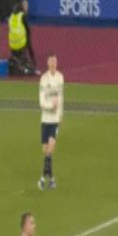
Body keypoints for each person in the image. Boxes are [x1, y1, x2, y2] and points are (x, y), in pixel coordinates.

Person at [38, 54, 64, 191]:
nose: (53, 63)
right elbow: (41, 101)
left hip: (54, 121)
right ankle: (51, 179)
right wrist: (51, 106)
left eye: (55, 61)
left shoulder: (60, 77)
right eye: (51, 61)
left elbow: (61, 97)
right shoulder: (43, 79)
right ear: (48, 63)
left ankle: (43, 179)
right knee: (46, 153)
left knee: (50, 150)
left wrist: (60, 114)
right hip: (45, 120)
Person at [8, 0, 36, 75]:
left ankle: (16, 62)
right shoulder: (22, 16)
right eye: (25, 5)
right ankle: (27, 65)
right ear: (21, 7)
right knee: (27, 38)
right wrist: (33, 56)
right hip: (21, 44)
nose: (27, 7)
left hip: (12, 45)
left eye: (27, 5)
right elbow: (28, 31)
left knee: (15, 60)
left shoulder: (11, 17)